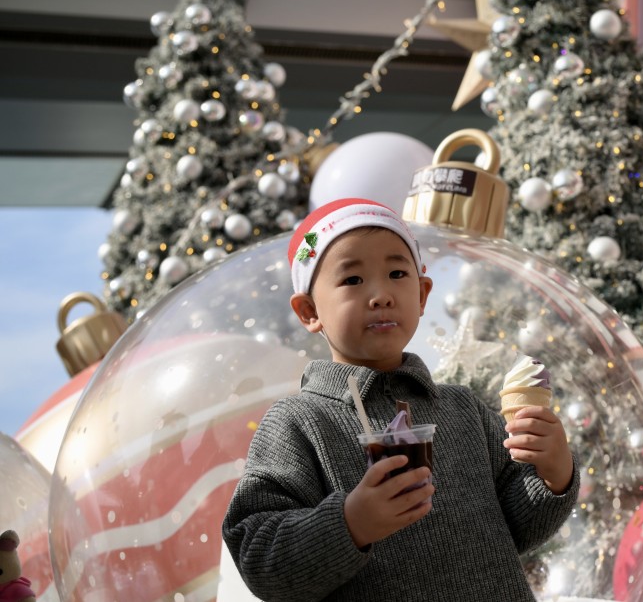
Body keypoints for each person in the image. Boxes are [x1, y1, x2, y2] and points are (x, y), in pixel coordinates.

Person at [222, 198, 579, 601]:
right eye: (353, 280)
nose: (381, 295)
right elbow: (259, 558)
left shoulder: (463, 409)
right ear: (309, 311)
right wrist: (350, 523)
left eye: (396, 273)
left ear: (423, 294)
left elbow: (518, 528)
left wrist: (554, 474)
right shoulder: (298, 423)